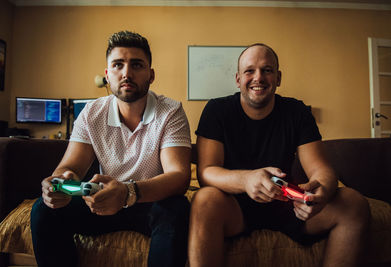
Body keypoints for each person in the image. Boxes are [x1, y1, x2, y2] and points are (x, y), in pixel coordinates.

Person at [189, 43, 370, 267]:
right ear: (238, 79)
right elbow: (206, 173)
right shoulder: (217, 110)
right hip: (233, 206)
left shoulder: (297, 112)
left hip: (286, 205)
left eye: (267, 70)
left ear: (278, 77)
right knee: (203, 200)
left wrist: (320, 194)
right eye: (249, 71)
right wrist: (247, 180)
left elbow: (322, 170)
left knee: (353, 203)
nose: (259, 77)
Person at [30, 31, 192, 267]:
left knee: (177, 208)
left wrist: (127, 192)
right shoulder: (91, 113)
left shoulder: (170, 112)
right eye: (118, 65)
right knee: (42, 209)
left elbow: (179, 177)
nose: (126, 73)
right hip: (100, 200)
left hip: (149, 202)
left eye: (137, 65)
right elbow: (70, 166)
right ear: (107, 75)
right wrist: (62, 182)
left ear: (151, 75)